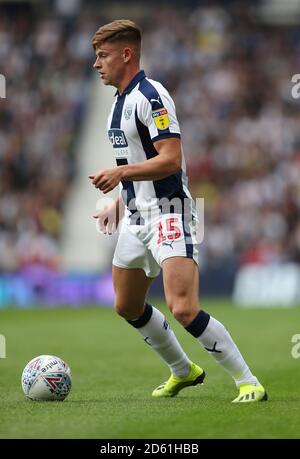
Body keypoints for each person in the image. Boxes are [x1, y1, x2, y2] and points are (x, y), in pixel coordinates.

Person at [89, 19, 267, 403]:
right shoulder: (116, 106)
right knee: (126, 305)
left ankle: (248, 381)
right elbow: (139, 166)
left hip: (170, 213)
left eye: (102, 56)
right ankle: (183, 371)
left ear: (126, 54)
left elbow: (171, 160)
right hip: (137, 217)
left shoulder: (152, 96)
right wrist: (121, 200)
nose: (96, 64)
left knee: (184, 308)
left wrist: (119, 172)